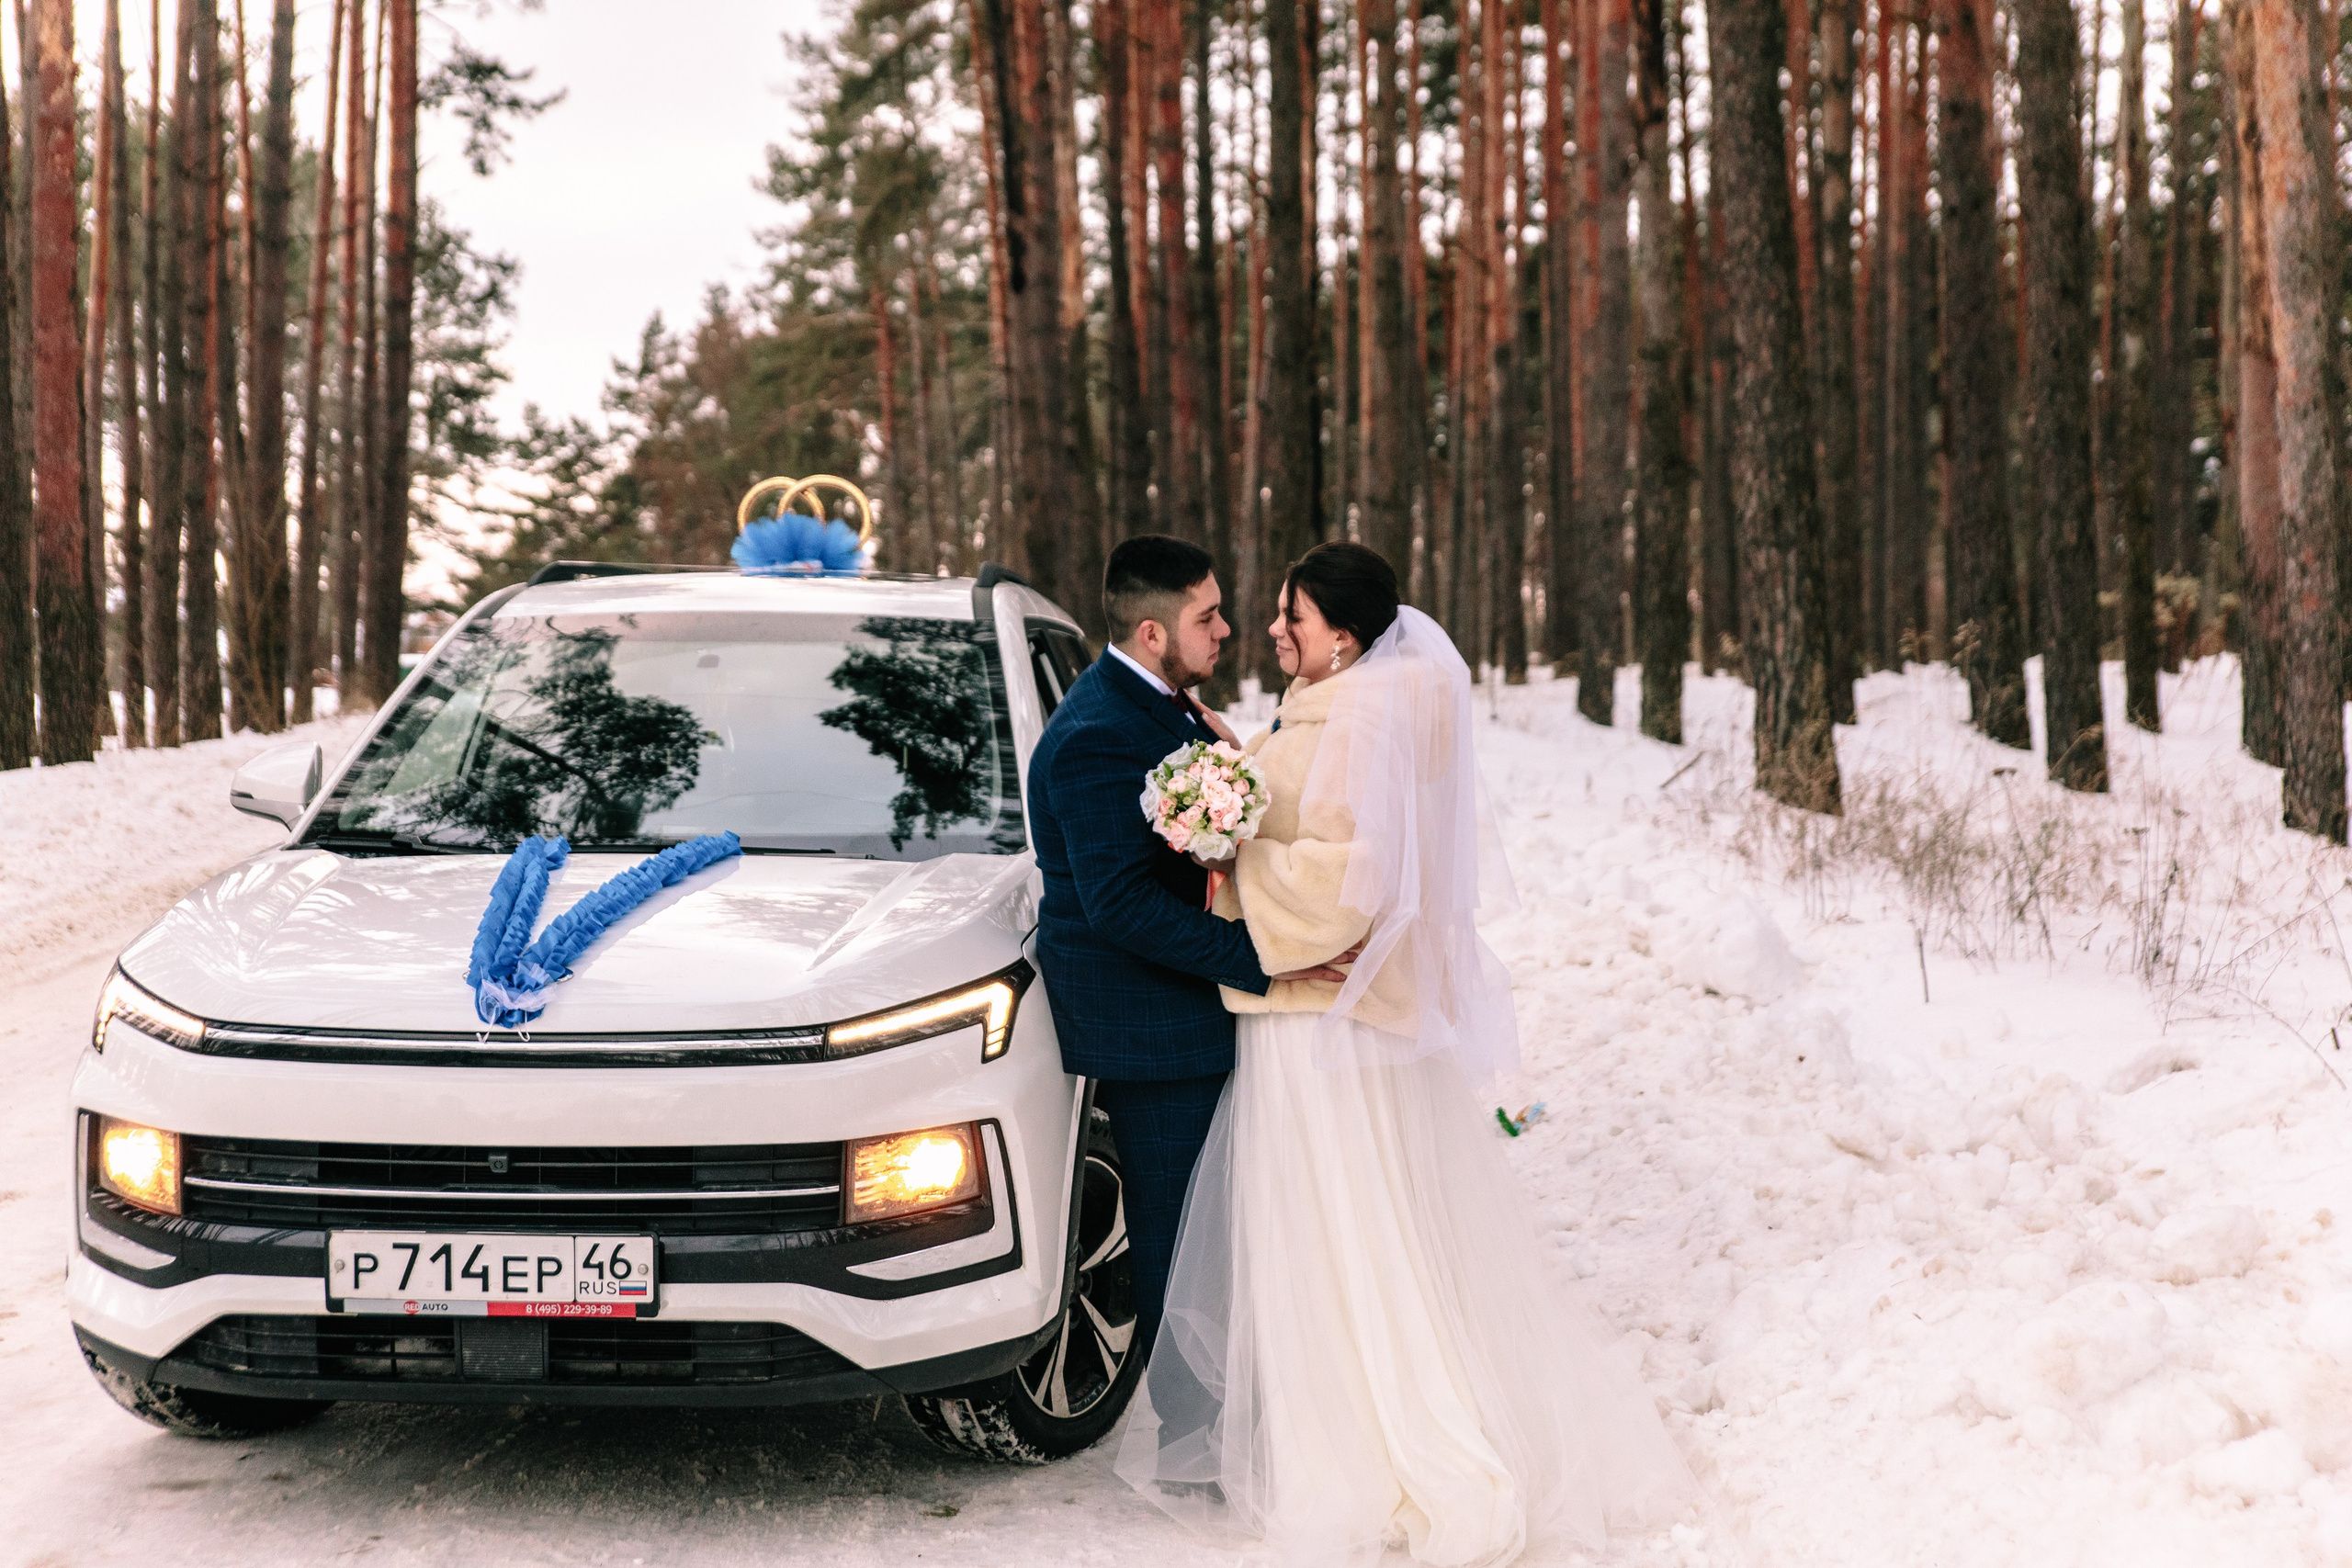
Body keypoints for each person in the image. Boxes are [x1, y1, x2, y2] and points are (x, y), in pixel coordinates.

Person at [1115, 541, 1699, 1566]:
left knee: (1339, 1234)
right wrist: (1233, 762)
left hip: (1312, 1024)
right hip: (1323, 1020)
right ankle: (1346, 1426)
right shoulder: (1339, 709)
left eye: (1290, 617)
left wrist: (1234, 844)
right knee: (1346, 1230)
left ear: (1338, 637)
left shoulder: (1358, 719)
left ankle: (1376, 1446)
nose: (1271, 630)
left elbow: (1353, 877)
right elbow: (1309, 802)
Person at [1026, 535, 1350, 1352]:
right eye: (1207, 617)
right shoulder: (1096, 732)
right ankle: (1191, 1443)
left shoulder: (1158, 702)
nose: (1227, 630)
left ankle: (1227, 1415)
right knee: (1182, 1243)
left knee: (1222, 1230)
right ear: (1152, 633)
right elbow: (1121, 906)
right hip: (1152, 1031)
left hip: (1188, 1006)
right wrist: (1270, 961)